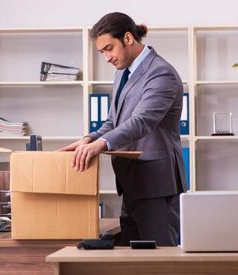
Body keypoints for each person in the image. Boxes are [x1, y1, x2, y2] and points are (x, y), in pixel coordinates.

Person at [59, 12, 186, 246]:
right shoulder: (121, 74)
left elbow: (142, 121)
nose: (107, 57)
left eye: (109, 48)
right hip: (131, 183)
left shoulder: (161, 72)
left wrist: (101, 144)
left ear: (128, 38)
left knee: (159, 263)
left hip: (156, 186)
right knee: (129, 263)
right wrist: (88, 138)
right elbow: (112, 122)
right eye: (102, 52)